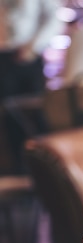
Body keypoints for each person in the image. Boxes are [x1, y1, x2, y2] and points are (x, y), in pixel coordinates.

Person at [0, 0, 65, 171]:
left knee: (36, 117)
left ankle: (45, 172)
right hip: (3, 57)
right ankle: (18, 171)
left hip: (29, 57)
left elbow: (53, 19)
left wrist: (32, 47)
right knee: (8, 119)